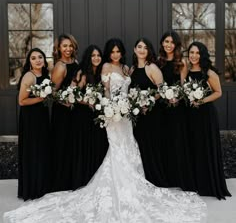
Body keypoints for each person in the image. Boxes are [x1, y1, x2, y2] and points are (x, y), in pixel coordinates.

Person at [3, 38, 207, 223]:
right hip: (112, 114)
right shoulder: (105, 67)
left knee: (129, 145)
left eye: (119, 51)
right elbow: (105, 91)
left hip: (127, 116)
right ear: (109, 53)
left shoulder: (128, 68)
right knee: (116, 148)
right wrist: (107, 106)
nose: (116, 55)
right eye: (113, 51)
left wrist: (135, 103)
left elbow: (133, 89)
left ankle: (134, 183)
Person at [186, 41, 231, 200]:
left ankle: (208, 183)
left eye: (197, 53)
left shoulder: (209, 72)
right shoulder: (187, 71)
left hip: (206, 115)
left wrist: (202, 100)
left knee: (206, 146)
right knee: (195, 146)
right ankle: (197, 182)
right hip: (191, 115)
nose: (194, 56)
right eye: (191, 52)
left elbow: (218, 92)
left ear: (202, 54)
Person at [157, 30, 195, 191]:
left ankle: (179, 177)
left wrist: (176, 98)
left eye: (172, 42)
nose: (169, 45)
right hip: (160, 108)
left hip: (176, 107)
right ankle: (165, 177)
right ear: (162, 43)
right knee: (163, 140)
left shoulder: (182, 63)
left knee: (177, 140)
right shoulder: (158, 62)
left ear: (176, 45)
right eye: (166, 41)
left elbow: (183, 85)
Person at [130, 37, 167, 187]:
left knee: (151, 146)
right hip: (137, 116)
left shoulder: (151, 67)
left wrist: (148, 101)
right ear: (134, 49)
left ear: (149, 51)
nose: (142, 50)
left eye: (145, 47)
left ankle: (154, 179)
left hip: (151, 114)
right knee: (140, 146)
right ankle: (142, 178)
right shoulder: (131, 69)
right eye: (139, 46)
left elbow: (162, 90)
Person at [70, 45, 109, 189]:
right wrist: (87, 101)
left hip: (99, 115)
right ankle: (84, 179)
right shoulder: (82, 73)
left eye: (98, 55)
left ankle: (97, 178)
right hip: (83, 115)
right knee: (86, 146)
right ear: (88, 57)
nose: (96, 58)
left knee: (98, 145)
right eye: (93, 55)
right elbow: (72, 94)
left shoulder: (101, 72)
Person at [17, 48, 51, 200]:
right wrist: (41, 98)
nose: (37, 60)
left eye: (40, 57)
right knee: (32, 150)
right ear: (29, 62)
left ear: (44, 60)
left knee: (42, 148)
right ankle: (31, 188)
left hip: (42, 116)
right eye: (33, 58)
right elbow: (22, 101)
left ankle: (42, 184)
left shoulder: (45, 75)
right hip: (30, 118)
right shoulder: (29, 77)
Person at [50, 33, 80, 192]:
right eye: (64, 46)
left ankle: (71, 179)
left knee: (72, 144)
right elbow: (52, 92)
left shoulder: (74, 62)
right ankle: (61, 182)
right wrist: (65, 101)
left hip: (74, 112)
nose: (68, 49)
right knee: (62, 144)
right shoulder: (60, 66)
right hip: (62, 112)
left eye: (70, 46)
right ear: (59, 48)